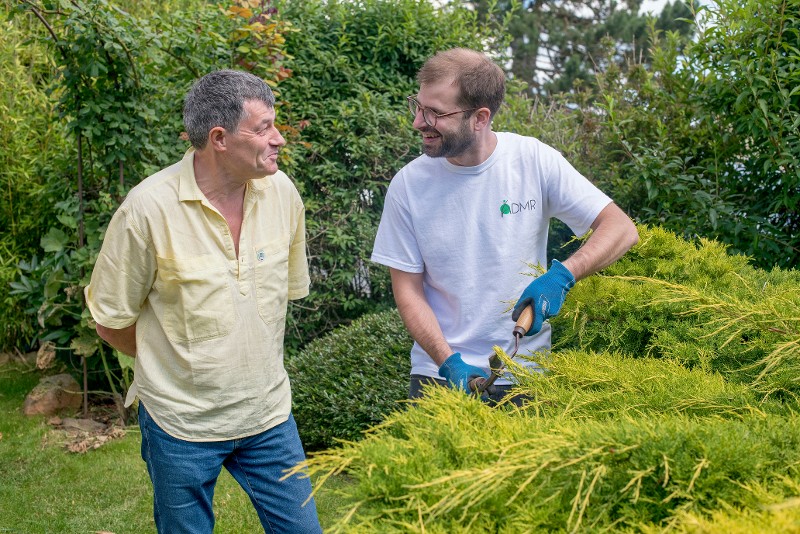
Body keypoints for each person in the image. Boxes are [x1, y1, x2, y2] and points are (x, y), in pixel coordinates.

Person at [84, 69, 322, 534]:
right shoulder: (147, 209)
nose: (278, 139)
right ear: (219, 138)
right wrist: (176, 364)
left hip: (268, 417)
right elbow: (110, 320)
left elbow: (283, 297)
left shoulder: (283, 195)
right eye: (263, 128)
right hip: (180, 426)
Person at [371, 48, 639, 404]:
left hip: (527, 375)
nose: (419, 122)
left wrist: (563, 276)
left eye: (434, 112)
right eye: (418, 106)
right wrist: (447, 361)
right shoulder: (408, 185)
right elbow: (408, 290)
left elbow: (621, 228)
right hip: (437, 377)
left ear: (480, 118)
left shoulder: (533, 160)